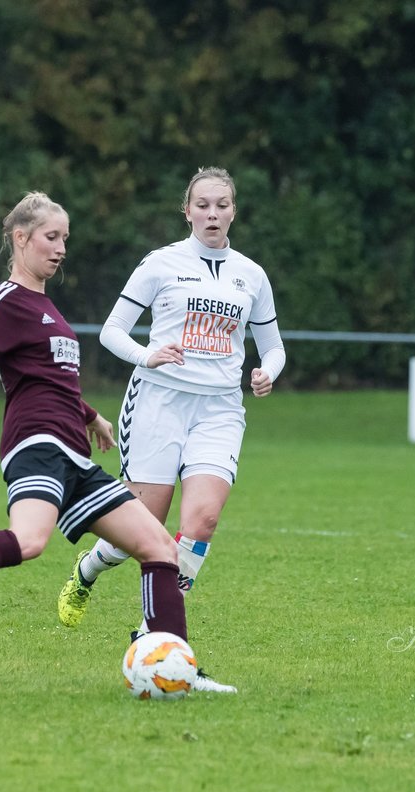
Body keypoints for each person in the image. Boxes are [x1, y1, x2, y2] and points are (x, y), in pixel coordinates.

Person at [0, 191, 211, 676]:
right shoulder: (3, 299)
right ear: (20, 237)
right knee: (29, 542)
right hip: (38, 445)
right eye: (51, 237)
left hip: (73, 451)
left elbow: (51, 379)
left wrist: (90, 416)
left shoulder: (49, 310)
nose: (61, 248)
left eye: (65, 238)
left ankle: (180, 671)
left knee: (160, 548)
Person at [56, 167, 286, 692]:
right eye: (202, 205)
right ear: (187, 211)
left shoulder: (251, 274)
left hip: (220, 410)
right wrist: (148, 355)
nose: (212, 214)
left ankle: (157, 637)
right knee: (146, 529)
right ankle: (88, 572)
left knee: (201, 520)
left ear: (233, 210)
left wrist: (265, 373)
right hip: (158, 404)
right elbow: (112, 331)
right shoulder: (161, 264)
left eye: (221, 205)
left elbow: (273, 345)